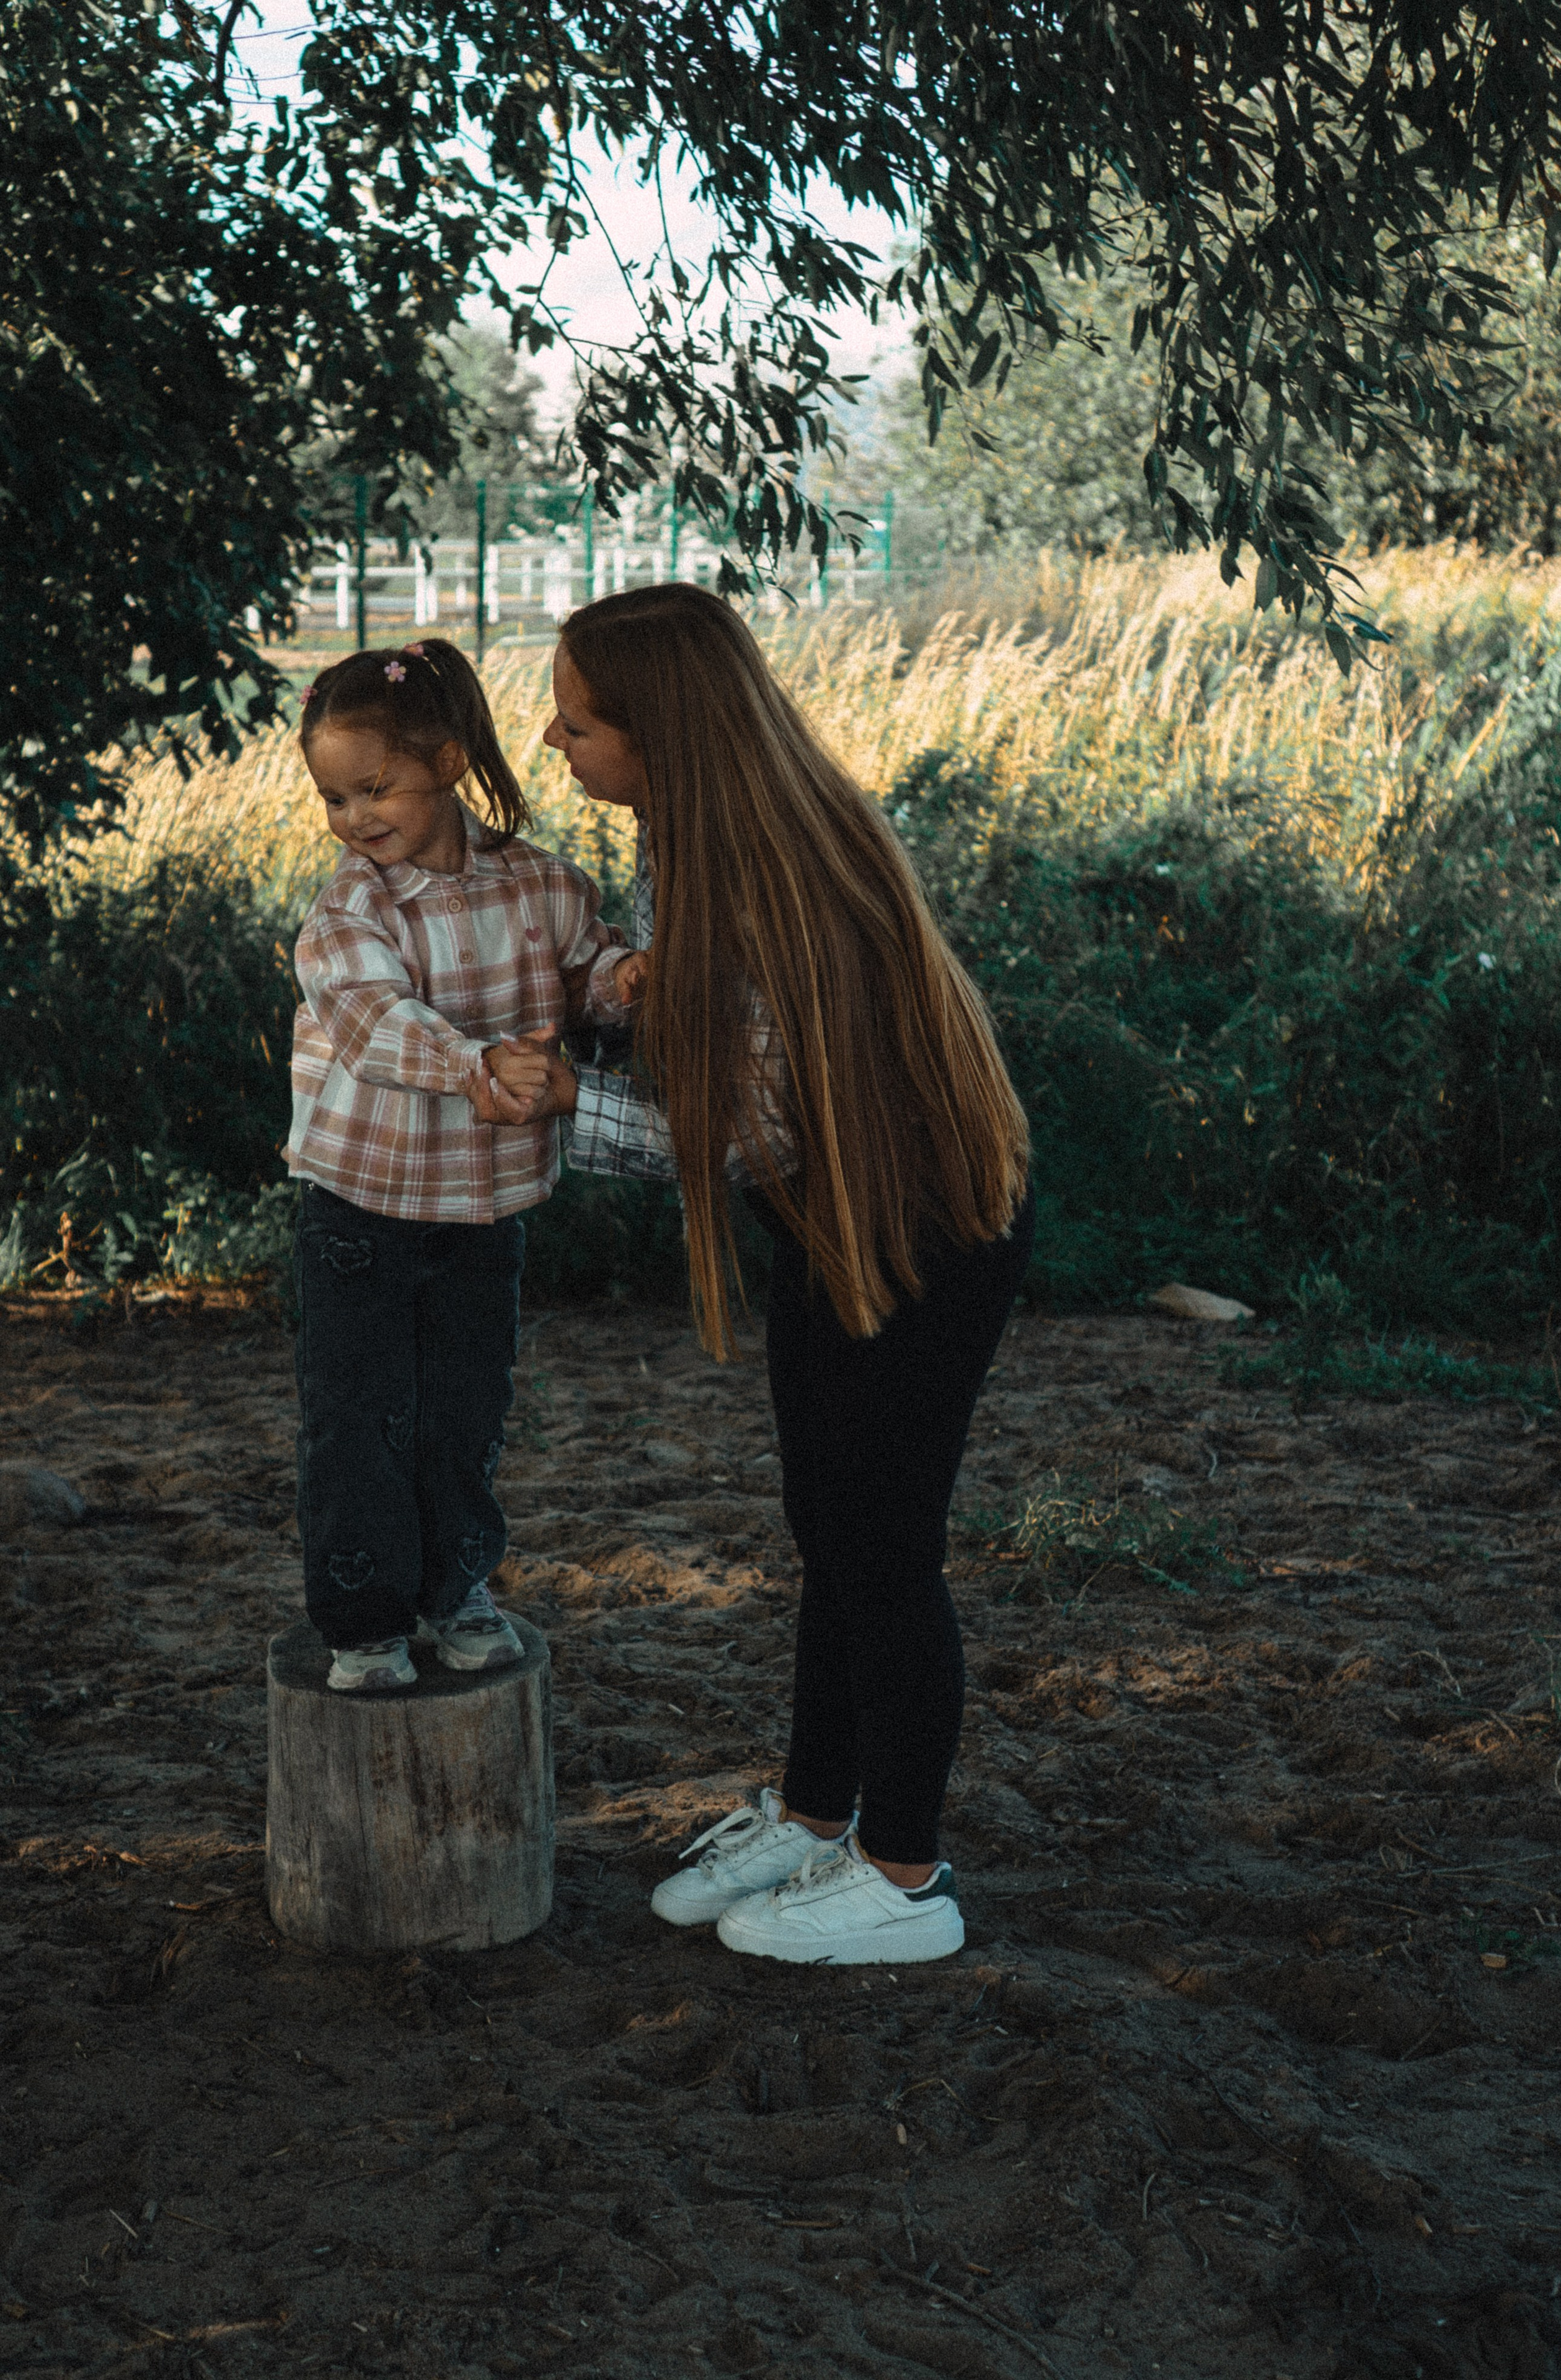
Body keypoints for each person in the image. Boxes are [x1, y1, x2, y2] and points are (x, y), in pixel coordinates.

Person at [522, 583, 1034, 1967]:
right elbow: (716, 1058)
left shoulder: (757, 874)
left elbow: (748, 1131)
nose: (552, 741)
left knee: (881, 1546)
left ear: (658, 730)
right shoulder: (688, 843)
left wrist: (557, 1099)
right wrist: (616, 997)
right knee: (830, 1527)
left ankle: (904, 1875)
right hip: (837, 1228)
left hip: (919, 1238)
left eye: (575, 723)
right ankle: (816, 1817)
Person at [288, 638, 638, 1692]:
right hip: (361, 1206)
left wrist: (634, 980)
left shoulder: (542, 885)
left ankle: (456, 1591)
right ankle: (364, 1621)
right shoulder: (353, 912)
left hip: (486, 1208)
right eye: (335, 798)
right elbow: (372, 1024)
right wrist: (476, 1064)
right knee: (359, 1412)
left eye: (373, 788)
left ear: (445, 759)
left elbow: (588, 975)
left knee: (465, 1406)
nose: (354, 819)